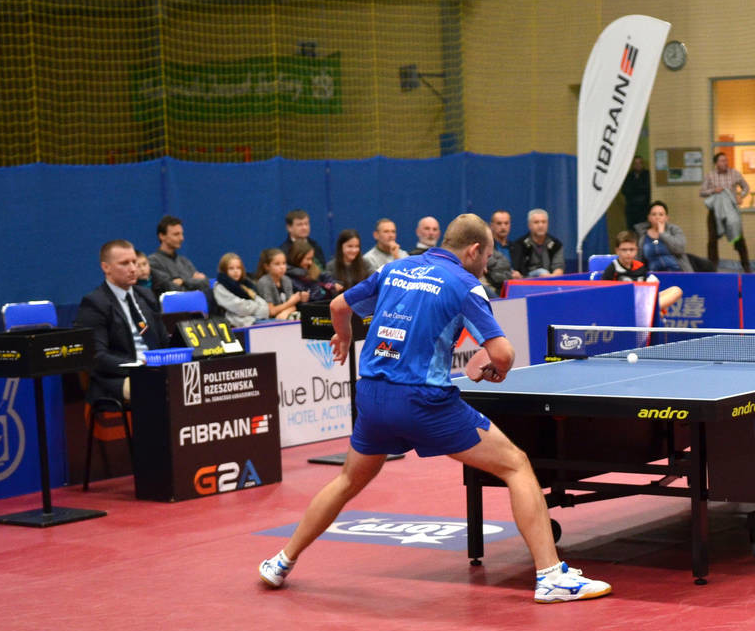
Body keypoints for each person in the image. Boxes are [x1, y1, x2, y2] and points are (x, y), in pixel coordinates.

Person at [256, 213, 612, 604]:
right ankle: (550, 576)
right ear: (473, 250)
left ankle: (281, 561)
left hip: (372, 396)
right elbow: (502, 353)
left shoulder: (395, 268)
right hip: (423, 401)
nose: (486, 265)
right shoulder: (465, 284)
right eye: (487, 257)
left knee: (347, 481)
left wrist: (342, 337)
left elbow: (340, 305)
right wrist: (494, 366)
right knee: (516, 465)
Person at [72, 240, 168, 402]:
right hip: (118, 378)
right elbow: (96, 356)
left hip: (156, 369)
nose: (133, 269)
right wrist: (139, 365)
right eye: (124, 263)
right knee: (155, 385)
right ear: (106, 267)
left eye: (134, 262)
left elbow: (164, 341)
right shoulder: (95, 303)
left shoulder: (147, 296)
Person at [600, 231, 682, 313]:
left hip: (642, 301)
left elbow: (646, 290)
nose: (628, 253)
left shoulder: (640, 267)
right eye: (624, 250)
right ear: (617, 251)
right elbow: (604, 294)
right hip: (623, 304)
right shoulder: (612, 269)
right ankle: (651, 311)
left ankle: (650, 310)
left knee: (676, 290)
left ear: (636, 250)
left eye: (631, 249)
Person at [699, 151, 751, 271]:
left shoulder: (734, 173)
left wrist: (740, 196)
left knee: (739, 238)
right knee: (712, 240)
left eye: (726, 160)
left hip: (731, 211)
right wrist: (713, 190)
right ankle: (712, 268)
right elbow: (702, 192)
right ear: (716, 163)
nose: (725, 163)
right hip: (715, 212)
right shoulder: (710, 175)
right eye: (722, 161)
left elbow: (746, 187)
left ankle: (746, 266)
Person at [148, 214, 211, 295]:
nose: (181, 238)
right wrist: (193, 281)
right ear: (162, 236)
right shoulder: (153, 261)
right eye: (176, 234)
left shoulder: (184, 261)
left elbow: (205, 283)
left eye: (182, 234)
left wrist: (183, 281)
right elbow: (170, 288)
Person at [211, 253, 273, 330]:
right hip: (231, 327)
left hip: (252, 322)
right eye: (231, 268)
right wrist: (257, 308)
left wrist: (256, 309)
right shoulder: (220, 288)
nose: (236, 271)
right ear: (224, 271)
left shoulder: (245, 285)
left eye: (238, 268)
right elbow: (240, 308)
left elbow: (264, 307)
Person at [633, 200, 692, 273]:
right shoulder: (642, 235)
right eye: (654, 214)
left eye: (661, 214)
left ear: (666, 218)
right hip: (653, 274)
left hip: (677, 272)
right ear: (649, 217)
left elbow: (679, 249)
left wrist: (663, 234)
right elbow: (638, 259)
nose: (657, 217)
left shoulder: (674, 230)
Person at [510, 209, 565, 277]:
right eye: (536, 222)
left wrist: (549, 278)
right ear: (529, 225)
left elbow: (558, 268)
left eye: (543, 222)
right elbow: (518, 270)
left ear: (547, 224)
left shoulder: (556, 244)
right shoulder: (520, 244)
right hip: (527, 279)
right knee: (541, 272)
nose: (540, 225)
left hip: (550, 279)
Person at [253, 248, 305, 320]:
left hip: (284, 317)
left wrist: (286, 312)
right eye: (277, 264)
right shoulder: (264, 282)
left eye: (284, 263)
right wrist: (291, 302)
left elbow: (293, 306)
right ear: (267, 267)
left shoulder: (286, 280)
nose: (282, 267)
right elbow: (271, 311)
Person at [482, 211, 515, 298]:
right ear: (491, 225)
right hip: (494, 286)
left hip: (515, 286)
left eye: (506, 223)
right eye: (499, 223)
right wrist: (511, 276)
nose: (503, 227)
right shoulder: (486, 247)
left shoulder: (517, 247)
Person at [621, 153, 651, 232]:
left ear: (643, 164)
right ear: (633, 165)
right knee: (632, 232)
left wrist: (634, 189)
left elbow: (647, 189)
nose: (638, 165)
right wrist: (638, 189)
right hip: (631, 210)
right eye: (635, 163)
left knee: (643, 232)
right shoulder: (629, 176)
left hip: (644, 209)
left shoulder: (647, 175)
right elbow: (624, 190)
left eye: (639, 163)